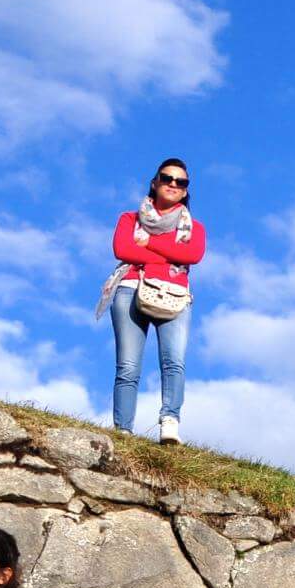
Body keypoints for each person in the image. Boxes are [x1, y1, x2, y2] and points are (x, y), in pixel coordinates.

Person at [95, 157, 203, 444]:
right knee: (128, 366)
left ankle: (169, 422)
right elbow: (123, 249)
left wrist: (146, 244)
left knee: (174, 362)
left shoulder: (195, 228)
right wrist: (168, 252)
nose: (173, 184)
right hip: (130, 289)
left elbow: (192, 255)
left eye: (180, 182)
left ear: (185, 191)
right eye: (167, 178)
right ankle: (123, 431)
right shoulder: (129, 219)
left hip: (175, 296)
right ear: (155, 183)